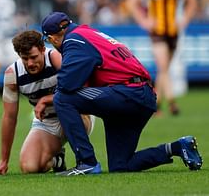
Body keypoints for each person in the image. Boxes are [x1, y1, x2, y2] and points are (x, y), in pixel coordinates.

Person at [40, 11, 203, 176]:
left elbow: (67, 84)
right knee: (121, 165)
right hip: (139, 95)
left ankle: (86, 162)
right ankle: (178, 147)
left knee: (62, 98)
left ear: (53, 37)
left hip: (127, 93)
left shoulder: (74, 39)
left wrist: (48, 96)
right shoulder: (87, 33)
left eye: (48, 40)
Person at [0, 30, 95, 175]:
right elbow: (9, 117)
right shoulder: (12, 74)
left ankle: (85, 161)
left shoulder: (56, 58)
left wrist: (47, 99)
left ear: (42, 49)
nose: (30, 63)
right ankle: (57, 159)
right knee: (29, 167)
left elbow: (79, 88)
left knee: (72, 110)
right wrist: (4, 160)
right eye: (25, 58)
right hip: (47, 120)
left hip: (75, 114)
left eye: (34, 57)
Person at [127, 0, 197, 115]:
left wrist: (185, 18)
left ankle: (156, 104)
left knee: (163, 70)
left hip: (173, 31)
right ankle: (172, 103)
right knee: (163, 66)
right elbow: (131, 2)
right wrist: (144, 21)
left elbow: (192, 0)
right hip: (157, 32)